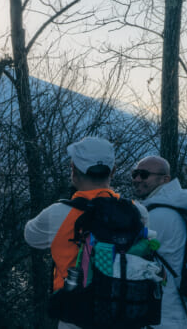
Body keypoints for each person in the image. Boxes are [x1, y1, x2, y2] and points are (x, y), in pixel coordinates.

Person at [24, 137, 149, 329]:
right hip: (124, 317)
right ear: (113, 171)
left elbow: (31, 237)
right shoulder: (137, 212)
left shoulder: (57, 213)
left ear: (73, 170)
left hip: (75, 318)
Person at [132, 155, 187, 329]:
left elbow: (128, 255)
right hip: (175, 313)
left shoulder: (159, 215)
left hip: (162, 316)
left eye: (144, 175)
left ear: (165, 179)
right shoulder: (174, 209)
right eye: (135, 174)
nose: (137, 179)